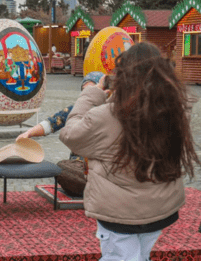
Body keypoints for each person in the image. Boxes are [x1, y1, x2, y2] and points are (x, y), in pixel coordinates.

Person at [59, 42, 199, 260]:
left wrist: (93, 94)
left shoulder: (106, 116)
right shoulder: (174, 111)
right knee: (140, 255)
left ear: (122, 77)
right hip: (160, 210)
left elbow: (70, 136)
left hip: (119, 216)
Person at [17, 71, 105, 197]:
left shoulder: (111, 111)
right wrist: (28, 133)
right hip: (78, 165)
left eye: (92, 89)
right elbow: (52, 122)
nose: (88, 94)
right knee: (63, 169)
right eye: (84, 91)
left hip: (102, 166)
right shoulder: (76, 109)